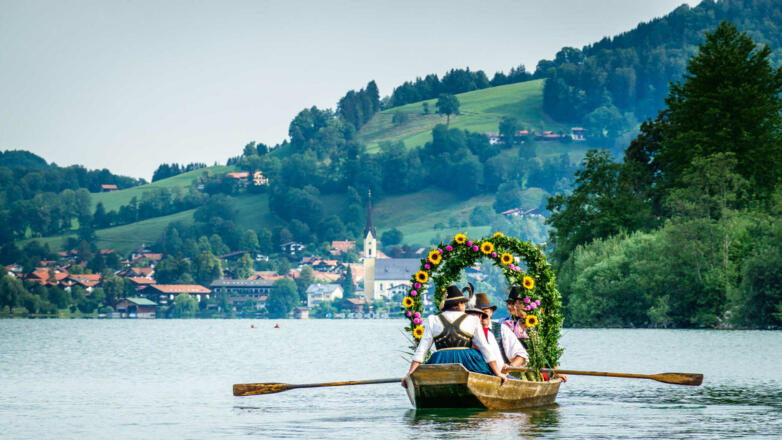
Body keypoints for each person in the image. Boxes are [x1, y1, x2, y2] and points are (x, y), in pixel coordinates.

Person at [402, 285, 507, 387]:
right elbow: (485, 349)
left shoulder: (432, 320)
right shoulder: (473, 320)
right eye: (464, 304)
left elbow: (422, 350)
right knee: (486, 371)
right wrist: (497, 373)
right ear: (460, 303)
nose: (465, 307)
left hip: (441, 360)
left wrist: (410, 373)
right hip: (468, 361)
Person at [474, 292, 528, 373]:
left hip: (501, 375)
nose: (482, 316)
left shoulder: (502, 329)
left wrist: (510, 367)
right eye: (478, 313)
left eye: (485, 312)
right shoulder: (469, 331)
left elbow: (521, 354)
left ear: (491, 312)